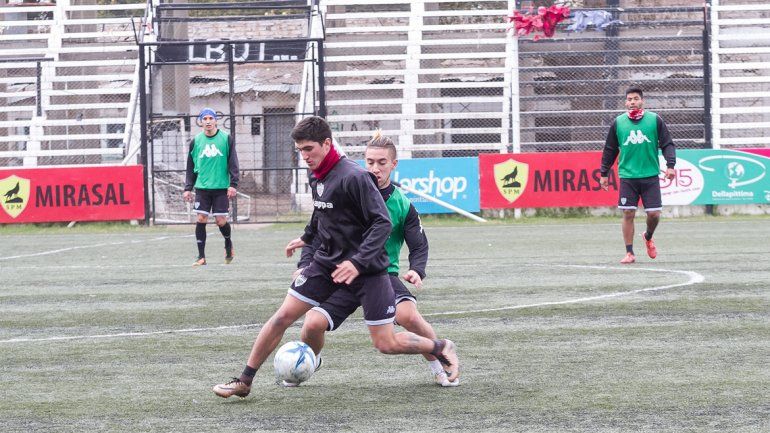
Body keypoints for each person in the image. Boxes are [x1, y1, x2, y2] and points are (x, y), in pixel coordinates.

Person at [212, 116, 459, 399]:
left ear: (327, 144)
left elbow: (382, 224)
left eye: (309, 149)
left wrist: (358, 262)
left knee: (386, 343)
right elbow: (321, 212)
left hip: (369, 272)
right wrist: (306, 238)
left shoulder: (354, 178)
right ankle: (244, 380)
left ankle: (439, 348)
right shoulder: (315, 173)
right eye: (300, 150)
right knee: (283, 316)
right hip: (328, 264)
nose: (304, 156)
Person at [295, 131, 459, 387]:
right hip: (342, 276)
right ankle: (308, 362)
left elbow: (418, 243)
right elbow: (316, 230)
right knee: (312, 324)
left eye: (382, 162)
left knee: (409, 317)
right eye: (370, 162)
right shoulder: (347, 189)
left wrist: (417, 269)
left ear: (394, 165)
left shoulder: (402, 203)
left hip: (380, 275)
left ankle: (440, 364)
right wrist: (304, 264)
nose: (375, 168)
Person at [600, 87, 676, 264]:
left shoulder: (654, 120)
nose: (632, 102)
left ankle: (648, 236)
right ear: (626, 103)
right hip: (628, 176)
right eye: (629, 99)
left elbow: (667, 144)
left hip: (650, 175)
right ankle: (629, 252)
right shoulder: (618, 123)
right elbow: (610, 149)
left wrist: (670, 165)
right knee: (628, 213)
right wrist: (604, 172)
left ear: (642, 101)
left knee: (654, 215)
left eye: (635, 98)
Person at [183, 108, 239, 266]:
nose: (208, 121)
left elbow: (233, 162)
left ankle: (228, 244)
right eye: (204, 118)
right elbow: (190, 167)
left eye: (210, 118)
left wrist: (233, 184)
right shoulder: (196, 141)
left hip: (221, 188)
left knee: (221, 221)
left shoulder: (226, 139)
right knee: (201, 218)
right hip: (202, 188)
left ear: (215, 120)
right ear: (200, 121)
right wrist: (188, 188)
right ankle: (201, 257)